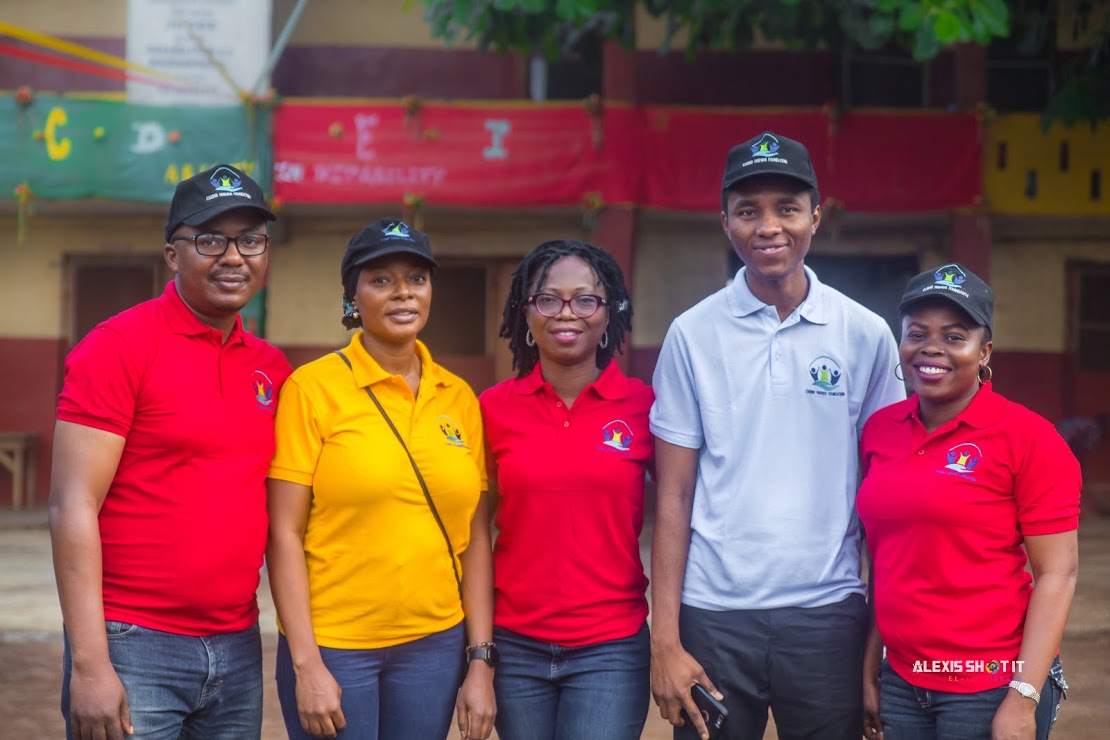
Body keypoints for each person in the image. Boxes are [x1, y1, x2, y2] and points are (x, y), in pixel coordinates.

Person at [648, 131, 905, 740]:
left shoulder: (865, 334)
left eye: (787, 209)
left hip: (828, 612)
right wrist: (666, 640)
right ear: (726, 224)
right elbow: (673, 495)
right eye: (748, 211)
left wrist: (881, 639)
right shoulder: (692, 334)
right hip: (714, 616)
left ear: (816, 217)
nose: (768, 227)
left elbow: (886, 491)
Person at [49, 164, 290, 739]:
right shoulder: (117, 347)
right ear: (172, 255)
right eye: (210, 240)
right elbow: (72, 505)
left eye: (251, 240)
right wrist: (91, 665)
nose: (234, 257)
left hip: (237, 646)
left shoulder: (271, 368)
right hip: (134, 643)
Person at [266, 218, 495, 740]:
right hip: (336, 645)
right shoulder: (312, 389)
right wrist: (306, 663)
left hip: (435, 645)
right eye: (381, 280)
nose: (403, 293)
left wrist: (480, 659)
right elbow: (283, 534)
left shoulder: (459, 397)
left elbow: (476, 538)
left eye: (416, 279)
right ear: (353, 296)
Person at [858, 263, 1078, 740]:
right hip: (903, 681)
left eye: (954, 336)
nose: (931, 347)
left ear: (984, 352)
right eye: (917, 334)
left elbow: (1057, 574)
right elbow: (886, 560)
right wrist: (871, 667)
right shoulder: (880, 431)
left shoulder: (1029, 437)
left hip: (990, 684)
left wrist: (1023, 697)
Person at [479, 239, 654, 740]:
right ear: (526, 313)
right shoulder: (491, 408)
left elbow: (682, 512)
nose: (566, 313)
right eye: (548, 299)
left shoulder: (644, 406)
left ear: (608, 313)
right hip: (514, 646)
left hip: (611, 647)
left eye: (585, 299)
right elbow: (473, 532)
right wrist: (480, 652)